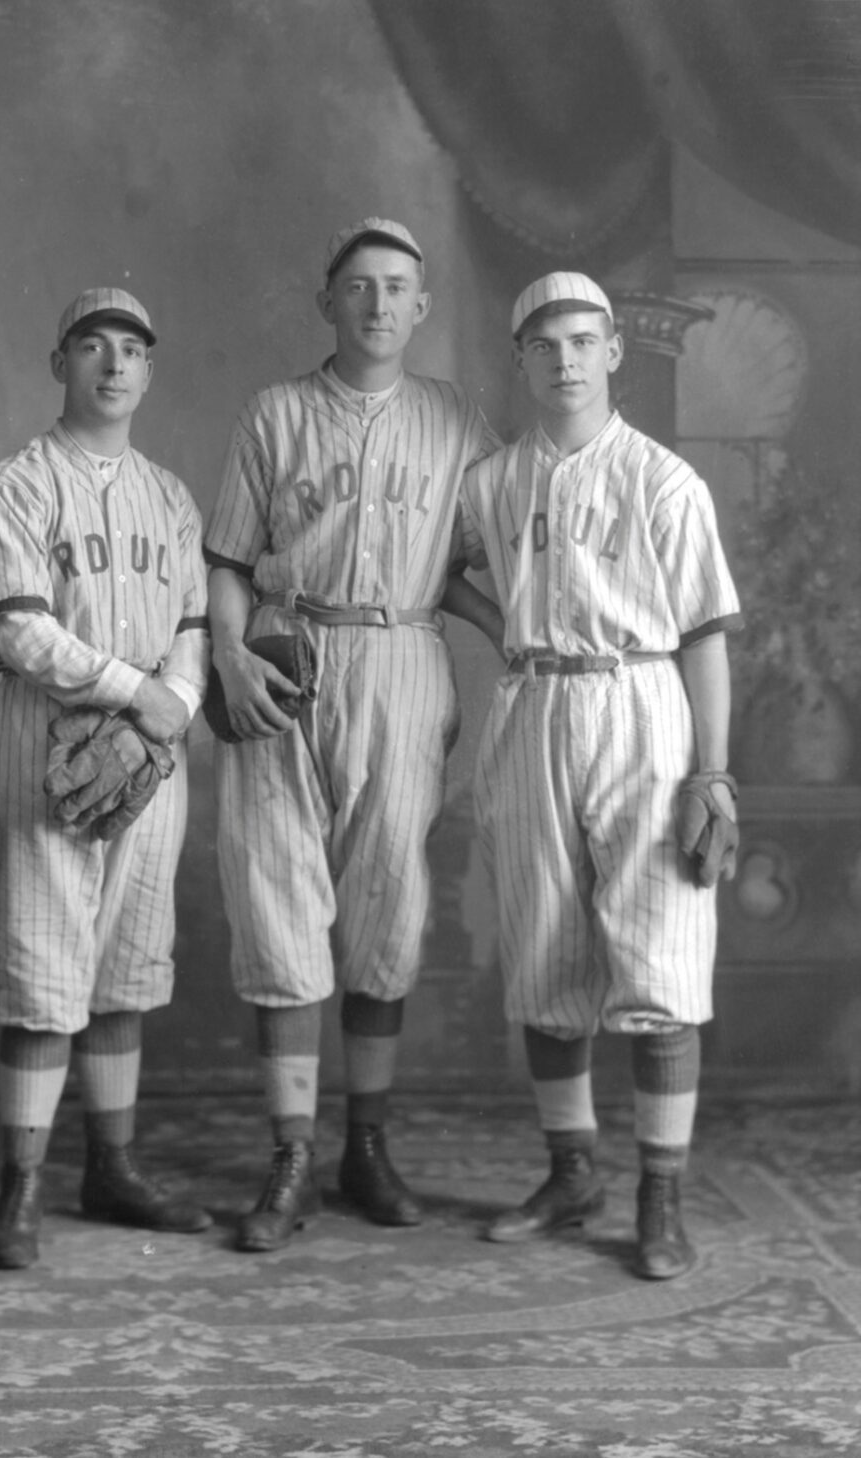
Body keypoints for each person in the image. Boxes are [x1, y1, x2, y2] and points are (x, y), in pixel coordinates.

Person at [204, 218, 500, 1252]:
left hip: (401, 662)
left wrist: (510, 635)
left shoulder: (455, 419)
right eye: (359, 285)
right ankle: (289, 1157)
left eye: (398, 287)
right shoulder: (277, 413)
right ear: (326, 301)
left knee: (387, 905)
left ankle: (364, 1146)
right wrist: (229, 659)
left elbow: (467, 560)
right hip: (287, 656)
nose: (378, 304)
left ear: (422, 308)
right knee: (279, 902)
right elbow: (230, 559)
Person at [458, 271, 742, 1280]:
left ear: (615, 350)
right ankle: (571, 1172)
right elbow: (438, 568)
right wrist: (508, 631)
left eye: (583, 341)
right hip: (535, 705)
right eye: (545, 345)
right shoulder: (491, 483)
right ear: (522, 359)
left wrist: (710, 772)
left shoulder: (664, 481)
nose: (565, 360)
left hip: (640, 706)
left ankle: (659, 1197)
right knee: (545, 952)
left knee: (659, 956)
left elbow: (705, 635)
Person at [0, 287, 212, 1270]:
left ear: (149, 371)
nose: (114, 365)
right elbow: (15, 627)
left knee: (124, 970)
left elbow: (192, 635)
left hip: (152, 750)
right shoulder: (16, 485)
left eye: (133, 350)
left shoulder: (171, 496)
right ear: (58, 362)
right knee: (42, 969)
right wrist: (132, 695)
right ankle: (16, 1195)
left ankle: (111, 1168)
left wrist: (172, 715)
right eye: (93, 347)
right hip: (46, 736)